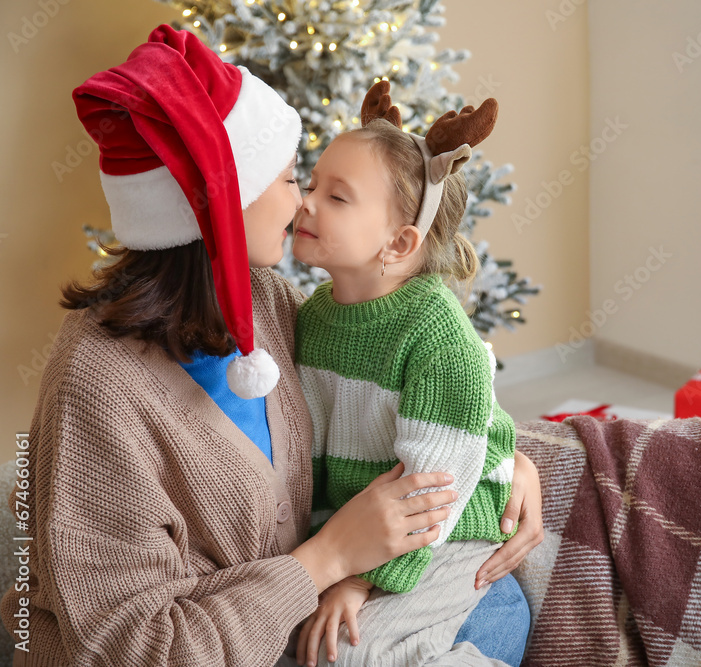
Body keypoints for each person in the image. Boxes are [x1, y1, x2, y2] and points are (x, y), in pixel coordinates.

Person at [0, 25, 543, 667]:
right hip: (217, 645)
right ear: (220, 206)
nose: (301, 201)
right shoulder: (97, 389)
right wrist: (329, 558)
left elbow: (425, 384)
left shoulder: (270, 302)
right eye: (289, 179)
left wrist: (507, 462)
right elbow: (139, 647)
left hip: (317, 615)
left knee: (502, 597)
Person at [290, 82, 521, 667]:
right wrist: (325, 558)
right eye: (312, 185)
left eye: (336, 198)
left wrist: (357, 580)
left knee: (352, 654)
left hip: (449, 533)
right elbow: (308, 452)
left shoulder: (439, 340)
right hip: (366, 530)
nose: (306, 203)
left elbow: (433, 490)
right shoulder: (314, 317)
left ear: (398, 242)